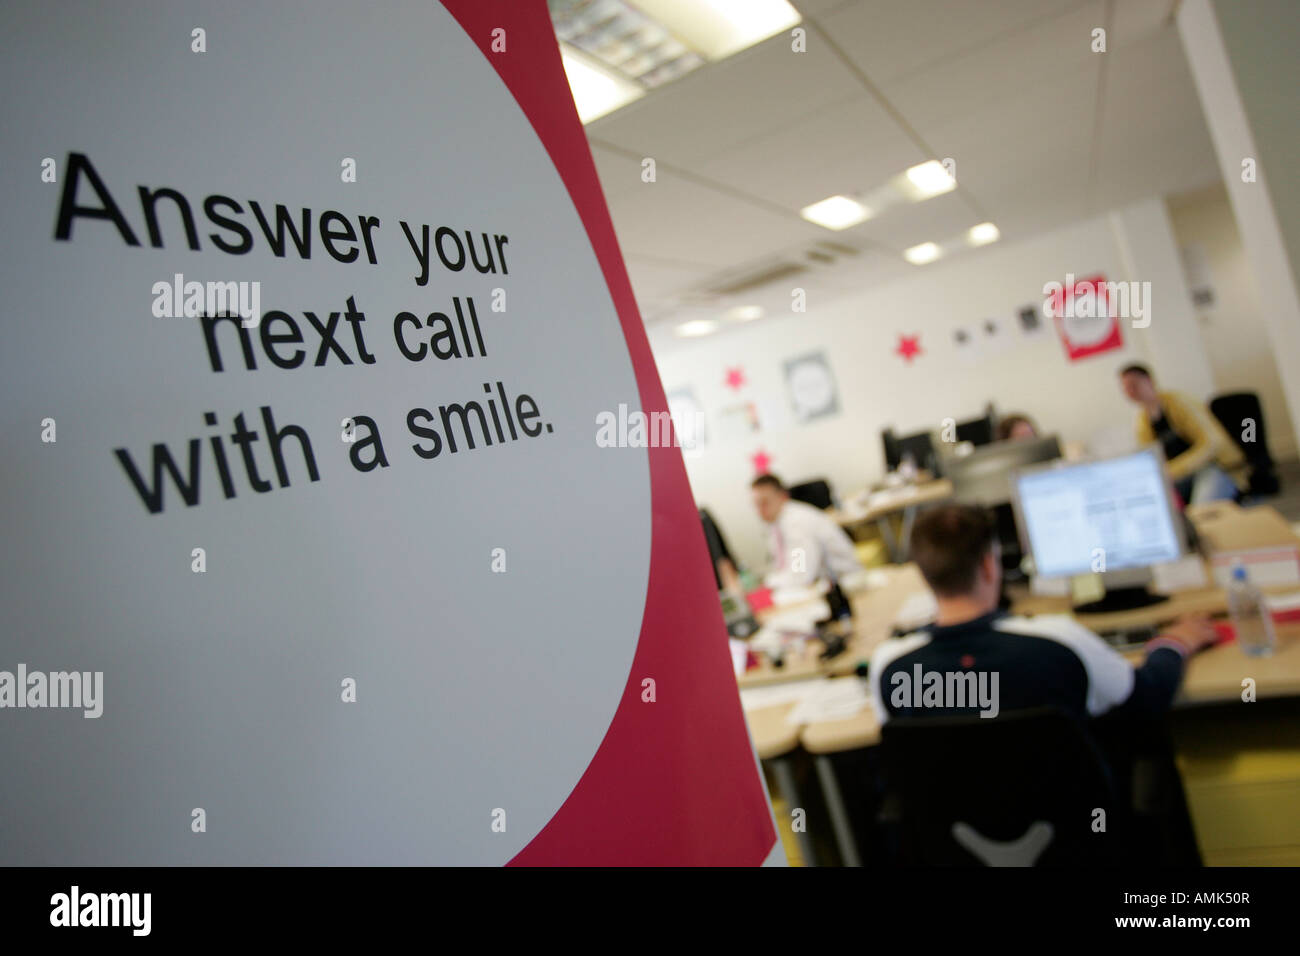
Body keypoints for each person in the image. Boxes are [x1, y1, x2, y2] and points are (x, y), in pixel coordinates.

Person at [869, 504, 1218, 725]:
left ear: (925, 575)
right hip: (1075, 831)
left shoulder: (890, 668)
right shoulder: (1059, 640)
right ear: (990, 566)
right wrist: (1176, 641)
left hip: (956, 838)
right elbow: (1145, 697)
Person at [1119, 363, 1245, 504]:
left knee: (1202, 511)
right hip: (1183, 476)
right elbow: (1150, 457)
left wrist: (1173, 470)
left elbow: (1212, 443)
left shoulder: (1178, 402)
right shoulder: (1143, 420)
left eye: (1134, 384)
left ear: (1149, 380)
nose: (1130, 391)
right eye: (1125, 387)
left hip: (1215, 466)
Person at [751, 473, 863, 590]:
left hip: (848, 585)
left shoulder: (797, 524)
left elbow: (801, 574)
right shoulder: (776, 525)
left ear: (783, 497)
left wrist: (769, 583)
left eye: (765, 503)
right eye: (756, 504)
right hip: (823, 585)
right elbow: (786, 567)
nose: (760, 511)